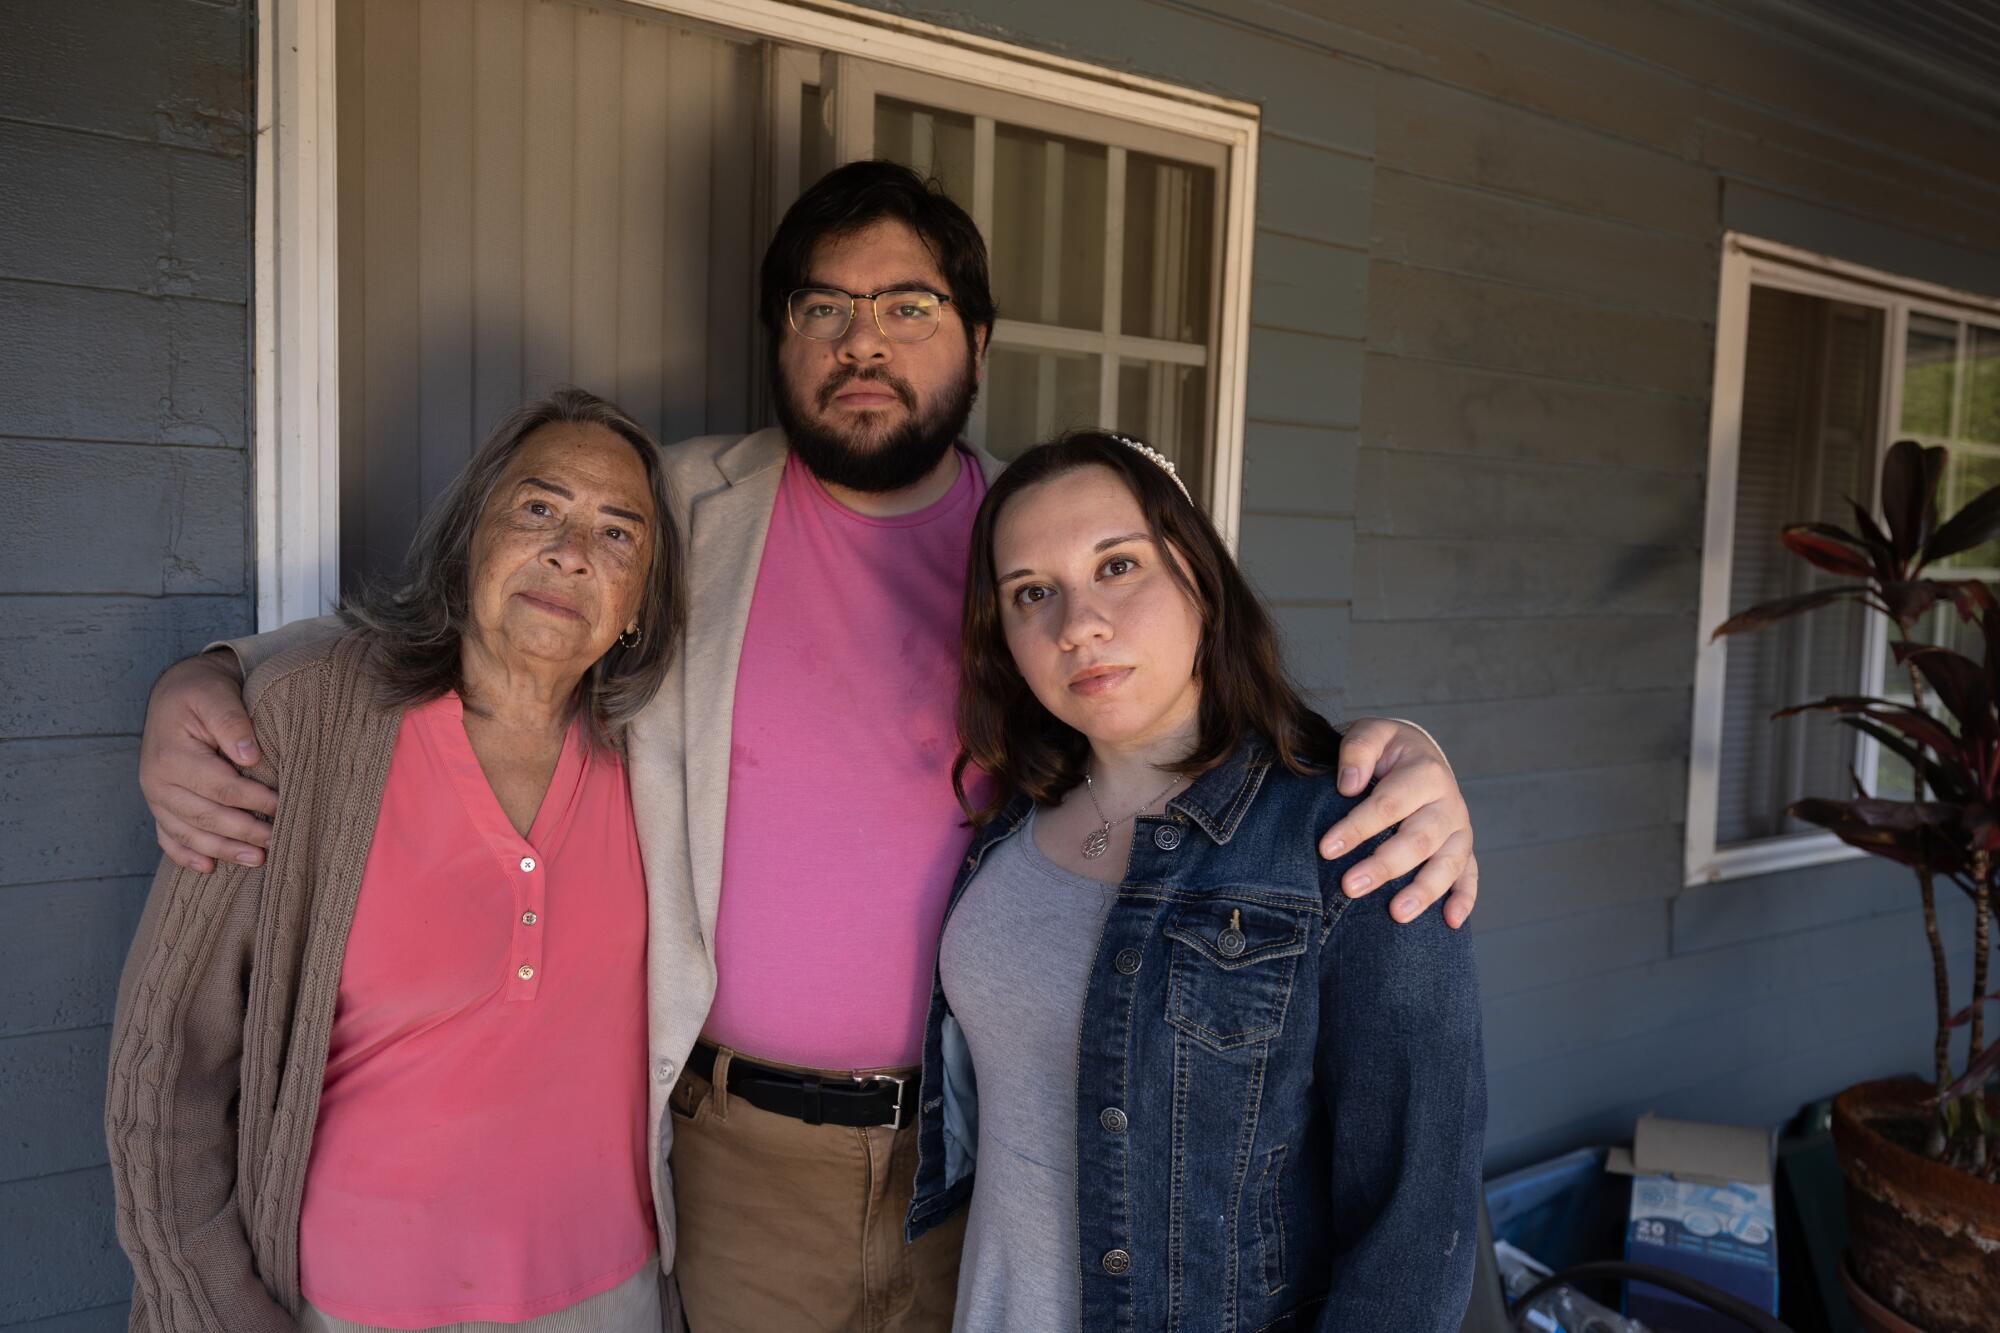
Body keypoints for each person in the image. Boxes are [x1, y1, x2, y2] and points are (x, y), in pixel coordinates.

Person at [133, 162, 1480, 1332]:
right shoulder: (676, 507)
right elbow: (496, 600)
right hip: (746, 1159)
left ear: (977, 339)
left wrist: (1399, 752)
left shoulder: (1036, 544)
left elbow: (1199, 731)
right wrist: (218, 676)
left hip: (992, 1155)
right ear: (779, 340)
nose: (863, 341)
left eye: (908, 306)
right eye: (821, 309)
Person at [107, 389, 684, 1333]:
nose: (571, 552)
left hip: (610, 1296)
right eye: (539, 508)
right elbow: (166, 1063)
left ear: (637, 605)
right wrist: (211, 1306)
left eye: (617, 534)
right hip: (347, 1305)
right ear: (469, 540)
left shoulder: (659, 759)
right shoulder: (307, 726)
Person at [905, 431, 1485, 1332]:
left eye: (1118, 566)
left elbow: (1416, 1223)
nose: (1078, 625)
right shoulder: (1010, 813)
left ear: (1199, 578)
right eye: (1032, 593)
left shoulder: (1352, 837)